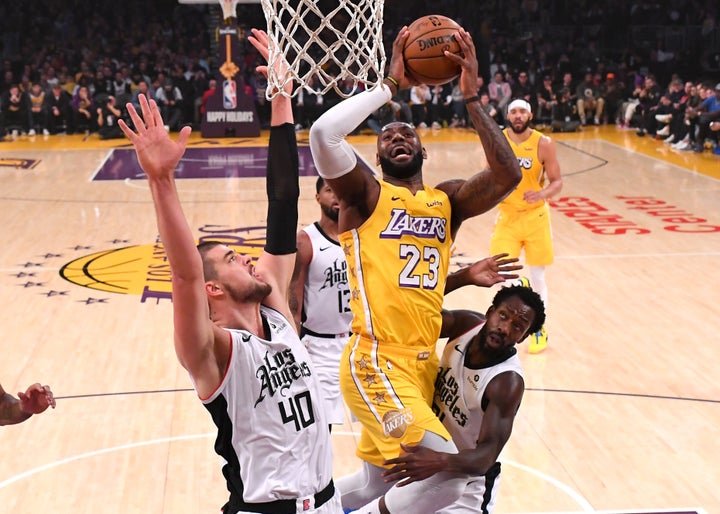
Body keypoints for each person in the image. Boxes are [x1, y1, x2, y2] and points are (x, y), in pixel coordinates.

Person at [118, 28, 342, 514]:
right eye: (232, 259)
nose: (247, 258)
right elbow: (184, 275)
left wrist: (281, 99)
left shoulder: (278, 316)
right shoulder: (212, 352)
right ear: (214, 287)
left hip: (326, 500)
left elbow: (283, 202)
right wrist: (161, 180)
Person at [309, 26, 521, 514]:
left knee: (375, 485)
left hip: (422, 365)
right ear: (376, 157)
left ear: (423, 152)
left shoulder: (445, 201)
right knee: (447, 474)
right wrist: (388, 87)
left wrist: (470, 97)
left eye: (408, 134)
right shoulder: (364, 198)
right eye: (387, 137)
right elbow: (324, 134)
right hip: (376, 360)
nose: (398, 137)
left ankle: (302, 509)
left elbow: (509, 174)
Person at [381, 285, 546, 514]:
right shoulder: (467, 325)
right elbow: (417, 314)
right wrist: (463, 278)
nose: (505, 328)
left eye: (517, 326)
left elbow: (486, 457)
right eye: (503, 316)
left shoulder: (506, 382)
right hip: (425, 459)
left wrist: (439, 460)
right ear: (490, 312)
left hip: (464, 485)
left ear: (524, 336)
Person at [490, 98, 562, 354]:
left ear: (530, 115)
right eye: (513, 112)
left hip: (535, 218)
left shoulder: (544, 143)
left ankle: (539, 329)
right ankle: (499, 329)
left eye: (522, 111)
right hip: (507, 217)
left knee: (538, 277)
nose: (518, 115)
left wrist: (542, 195)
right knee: (500, 276)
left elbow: (556, 181)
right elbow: (488, 175)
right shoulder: (497, 140)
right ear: (507, 116)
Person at [289, 176, 352, 427]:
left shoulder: (362, 237)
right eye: (329, 190)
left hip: (360, 343)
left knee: (381, 424)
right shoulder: (305, 241)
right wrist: (293, 345)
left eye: (341, 191)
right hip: (320, 346)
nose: (336, 196)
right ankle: (319, 469)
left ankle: (377, 469)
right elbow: (293, 302)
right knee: (317, 426)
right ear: (317, 198)